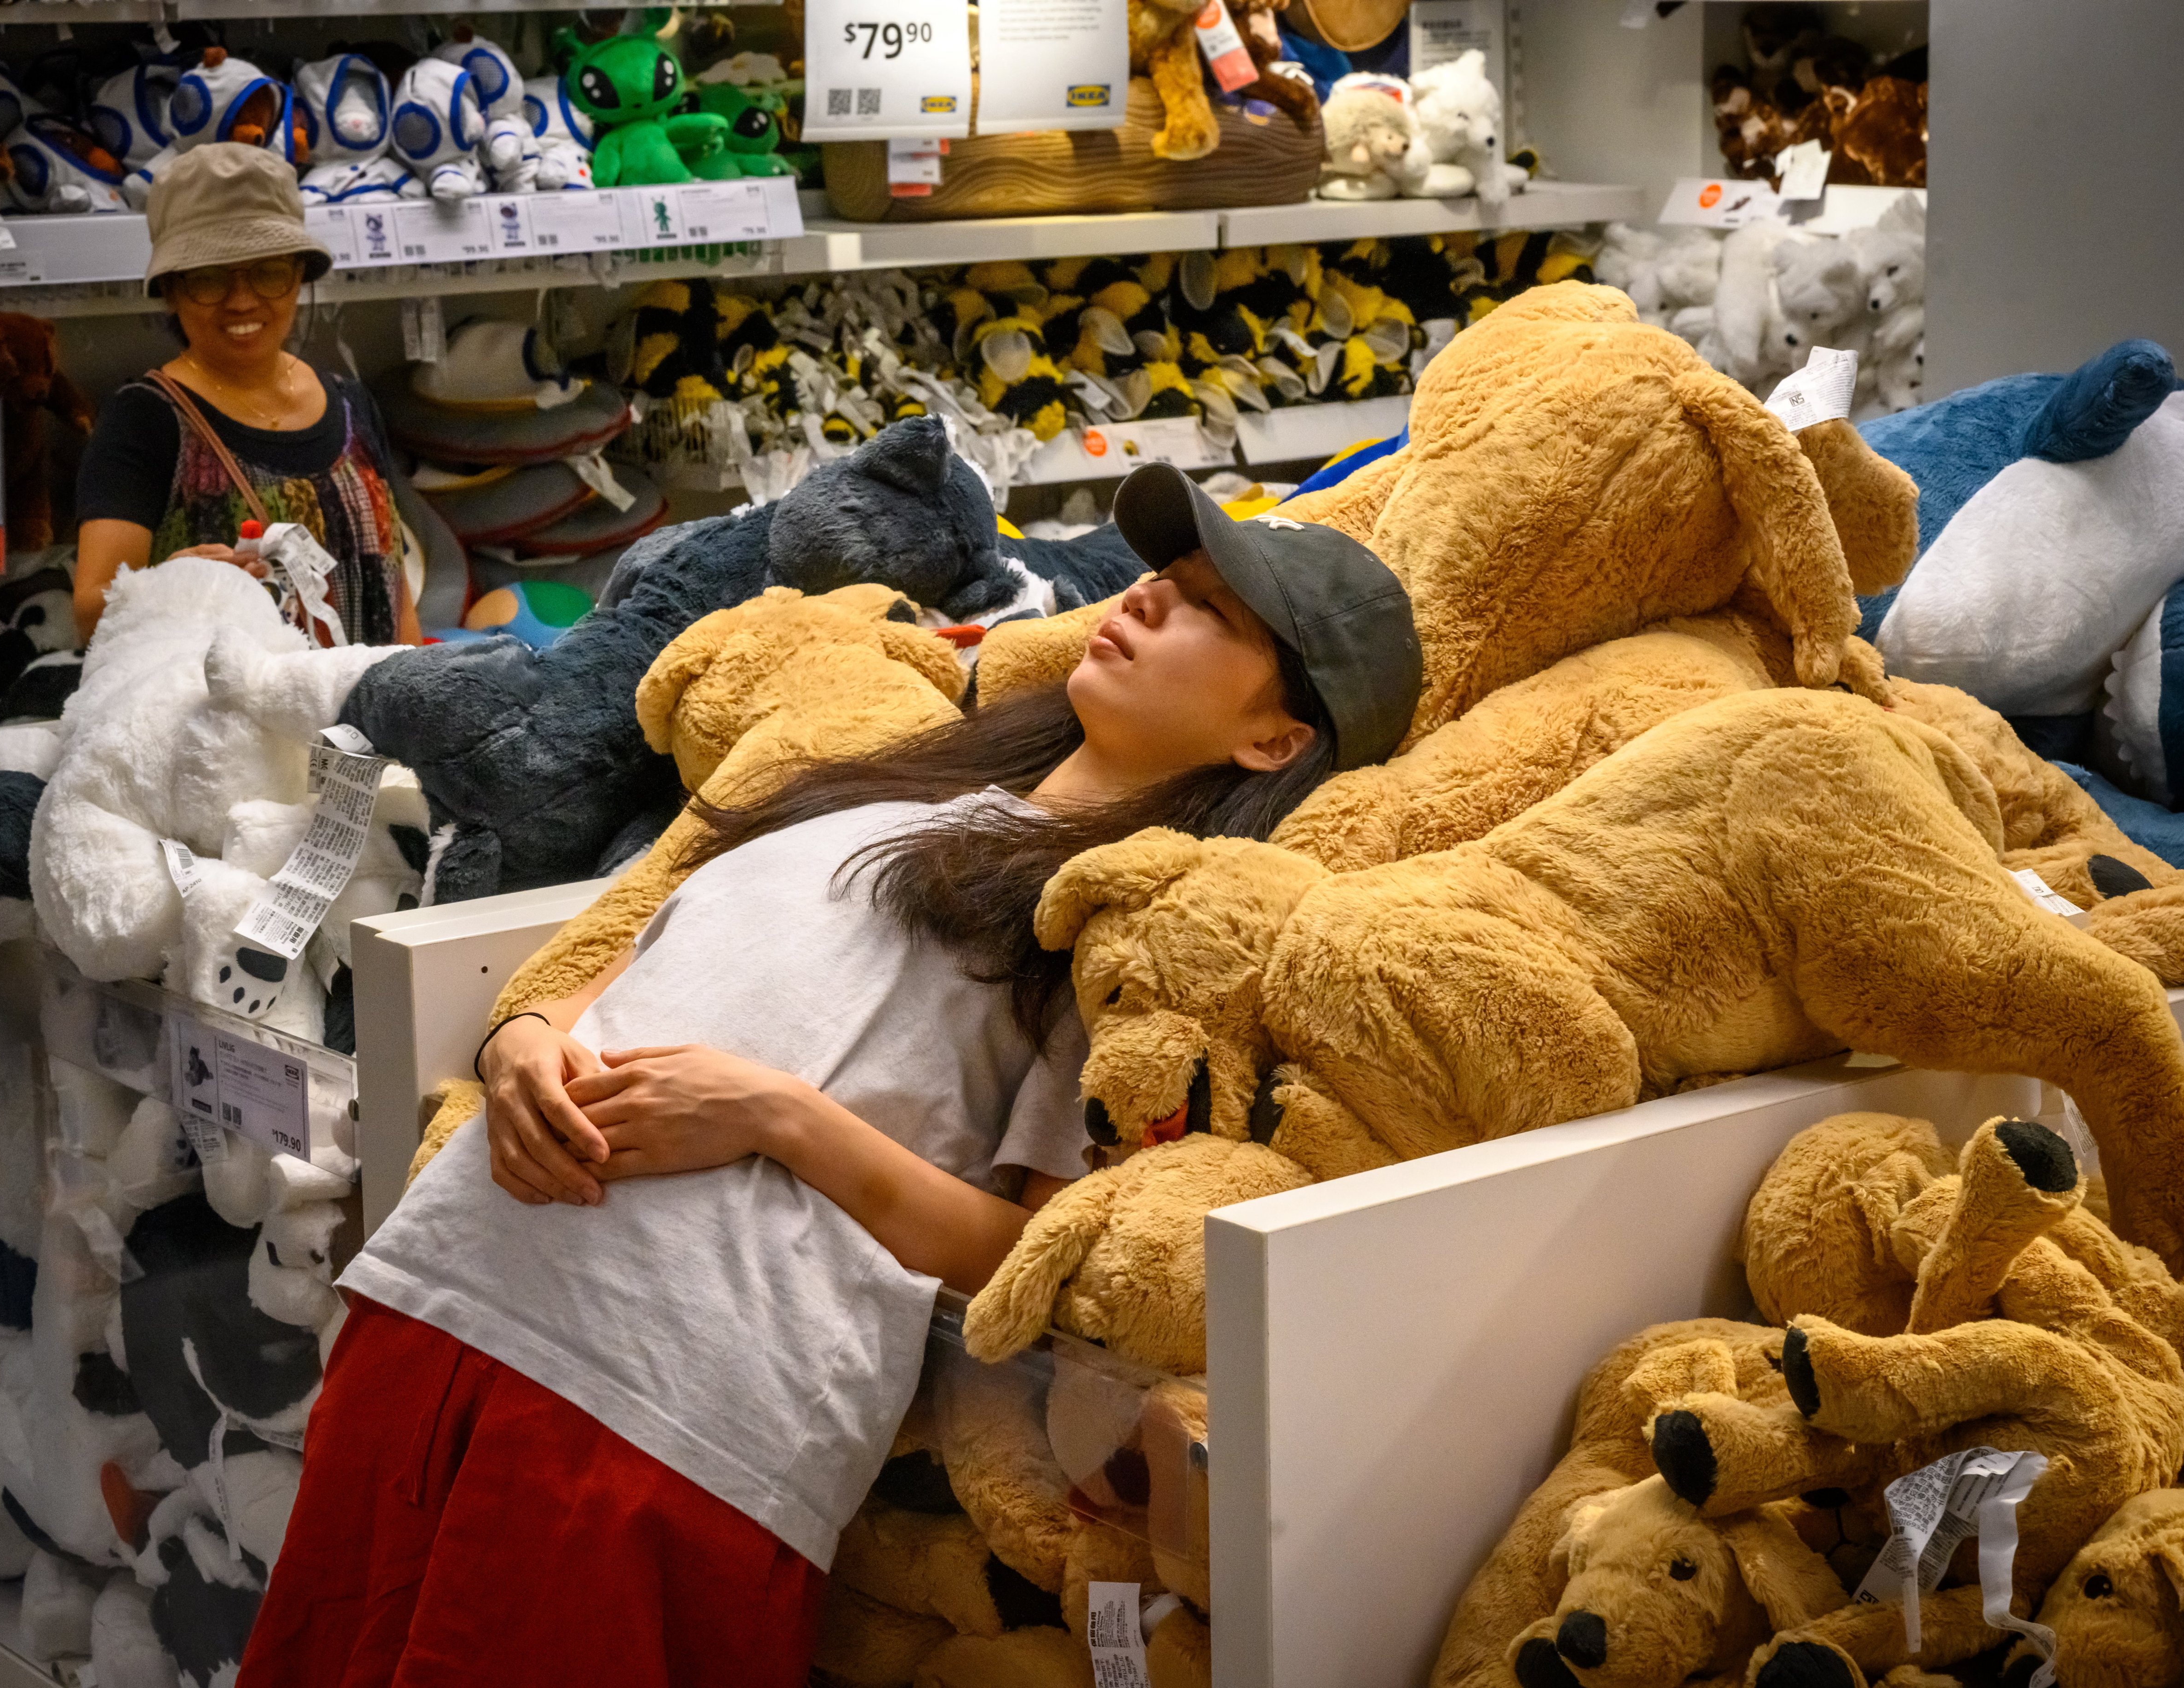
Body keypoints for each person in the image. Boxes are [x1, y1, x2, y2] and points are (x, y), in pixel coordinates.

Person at [239, 462, 1424, 1688]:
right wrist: (518, 1045)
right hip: (447, 1301)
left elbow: (1035, 1263)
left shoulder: (1135, 938)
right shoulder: (901, 784)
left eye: (1206, 613)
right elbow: (630, 966)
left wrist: (778, 1118)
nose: (1141, 602)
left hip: (666, 1416)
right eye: (1159, 580)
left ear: (1276, 736)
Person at [71, 143, 421, 647]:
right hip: (223, 723)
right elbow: (88, 618)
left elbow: (392, 587)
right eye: (208, 279)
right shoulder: (146, 420)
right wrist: (163, 586)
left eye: (269, 272)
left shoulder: (352, 405)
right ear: (171, 291)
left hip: (366, 718)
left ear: (299, 274)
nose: (242, 300)